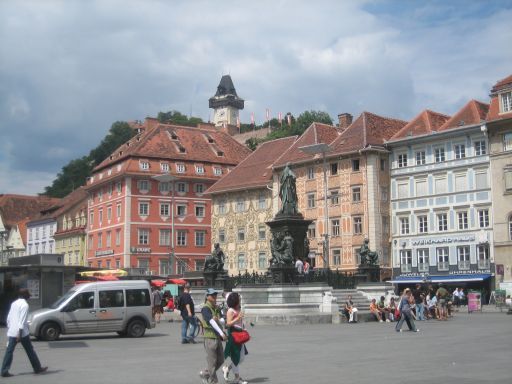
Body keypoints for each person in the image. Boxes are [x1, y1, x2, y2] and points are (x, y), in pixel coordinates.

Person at [1, 288, 48, 377]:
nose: (29, 295)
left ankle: (4, 370)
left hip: (12, 331)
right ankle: (37, 368)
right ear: (25, 295)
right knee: (30, 350)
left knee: (9, 351)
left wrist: (11, 329)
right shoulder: (25, 305)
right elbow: (22, 321)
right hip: (21, 333)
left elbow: (9, 318)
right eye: (28, 294)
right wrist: (19, 333)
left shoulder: (14, 303)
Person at [199, 288, 227, 384]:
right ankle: (213, 381)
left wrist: (219, 320)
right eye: (212, 295)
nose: (215, 296)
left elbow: (223, 319)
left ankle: (205, 373)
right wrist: (221, 333)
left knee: (220, 360)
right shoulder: (205, 308)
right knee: (212, 361)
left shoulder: (216, 308)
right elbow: (211, 321)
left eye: (215, 294)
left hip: (217, 337)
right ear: (207, 296)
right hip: (210, 337)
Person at [222, 292, 249, 384]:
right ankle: (237, 378)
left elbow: (241, 322)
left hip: (240, 335)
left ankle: (227, 369)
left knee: (241, 358)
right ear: (235, 301)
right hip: (234, 335)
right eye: (239, 299)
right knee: (236, 356)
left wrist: (244, 329)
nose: (240, 300)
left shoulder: (238, 309)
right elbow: (228, 324)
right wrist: (237, 318)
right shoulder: (230, 311)